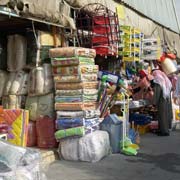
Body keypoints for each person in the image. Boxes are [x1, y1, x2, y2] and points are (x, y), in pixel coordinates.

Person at [151, 69, 173, 136]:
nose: (153, 75)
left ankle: (164, 132)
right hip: (167, 100)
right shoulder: (165, 79)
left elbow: (157, 93)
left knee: (162, 116)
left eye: (153, 73)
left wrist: (154, 103)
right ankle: (162, 129)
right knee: (165, 115)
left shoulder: (158, 80)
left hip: (162, 101)